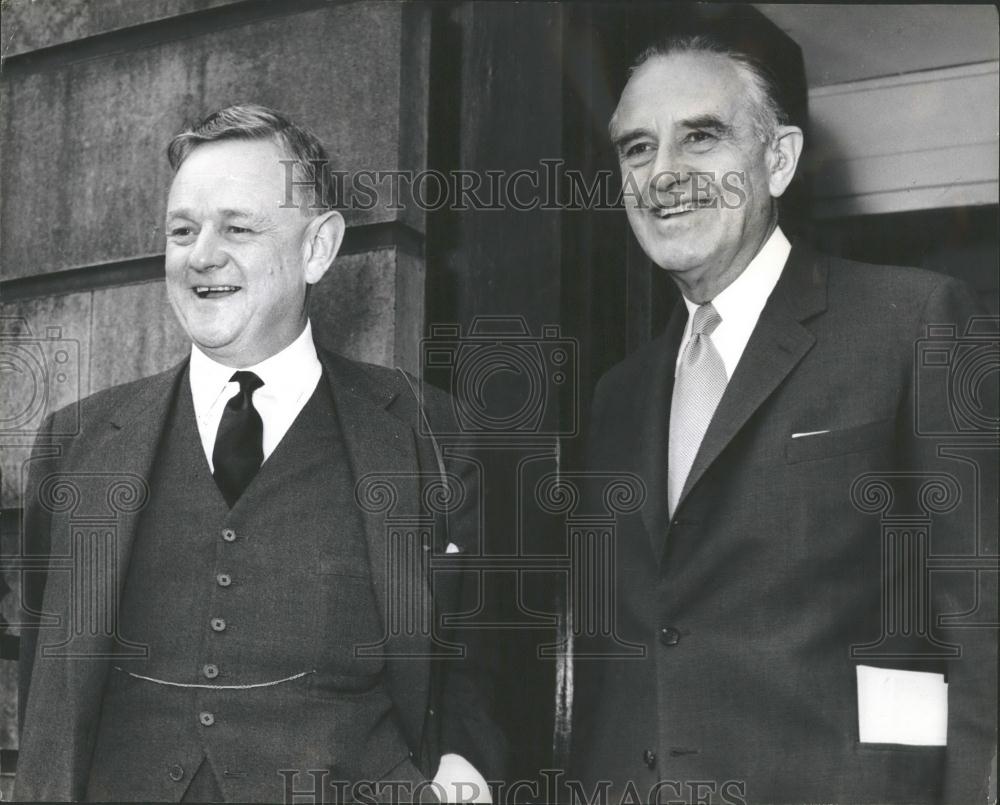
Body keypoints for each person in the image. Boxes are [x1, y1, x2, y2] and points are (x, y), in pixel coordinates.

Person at [15, 105, 502, 803]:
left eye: (237, 227)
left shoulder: (435, 436)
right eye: (182, 230)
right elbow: (46, 693)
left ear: (318, 248)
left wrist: (466, 765)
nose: (201, 253)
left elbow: (479, 661)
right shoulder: (75, 445)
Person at [570, 12, 997, 805]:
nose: (663, 173)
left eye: (700, 138)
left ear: (778, 160)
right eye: (637, 146)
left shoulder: (912, 322)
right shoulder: (617, 393)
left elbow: (982, 618)